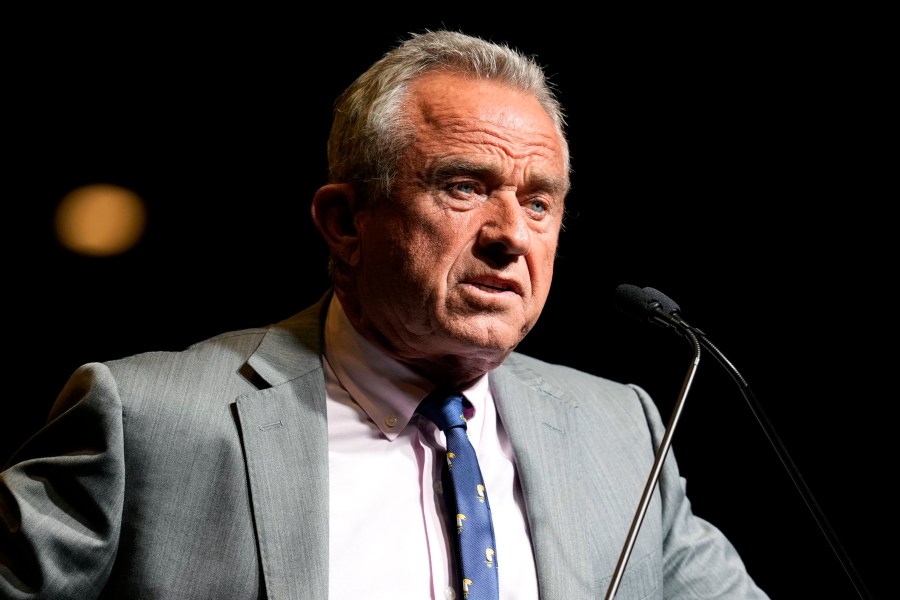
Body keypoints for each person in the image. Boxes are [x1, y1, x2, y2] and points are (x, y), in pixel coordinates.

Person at [0, 29, 770, 599]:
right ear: (344, 221)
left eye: (540, 202)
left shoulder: (624, 431)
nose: (510, 238)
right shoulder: (147, 422)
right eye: (464, 187)